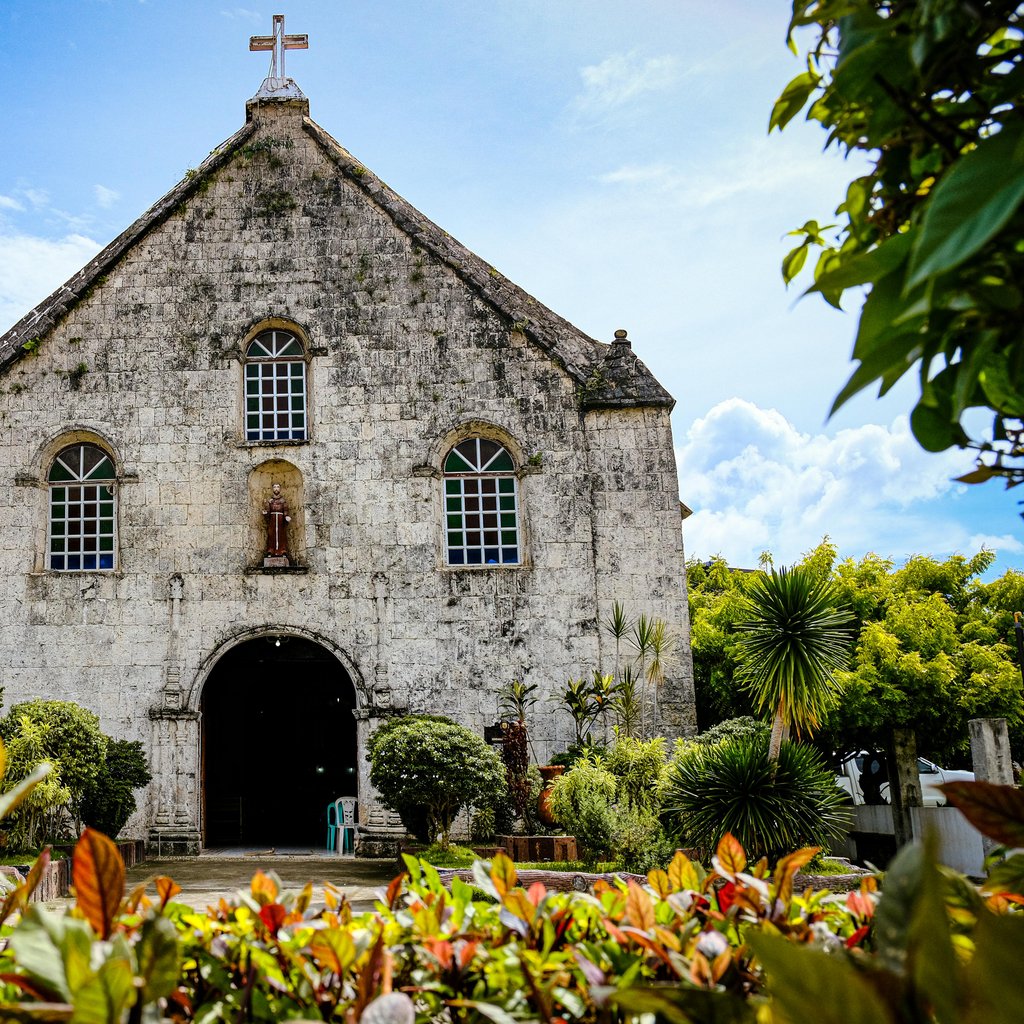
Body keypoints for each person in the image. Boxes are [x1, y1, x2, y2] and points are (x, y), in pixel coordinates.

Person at [263, 482, 291, 558]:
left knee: (281, 535)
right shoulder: (270, 501)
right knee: (271, 534)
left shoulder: (283, 500)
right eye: (275, 487)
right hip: (272, 519)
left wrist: (286, 516)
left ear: (280, 489)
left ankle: (282, 550)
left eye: (277, 487)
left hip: (280, 519)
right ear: (272, 489)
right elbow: (268, 511)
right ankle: (270, 550)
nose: (276, 488)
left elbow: (285, 510)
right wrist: (266, 513)